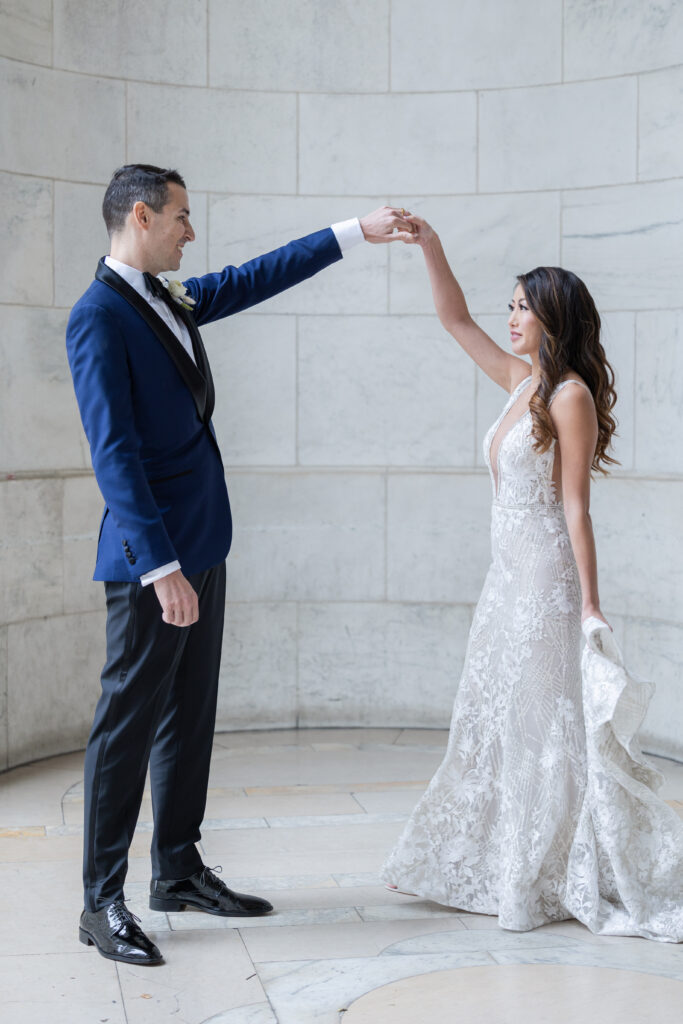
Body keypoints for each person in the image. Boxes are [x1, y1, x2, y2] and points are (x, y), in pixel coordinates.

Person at [67, 163, 415, 966]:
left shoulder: (169, 296)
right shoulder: (98, 316)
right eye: (183, 216)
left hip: (203, 541)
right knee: (125, 728)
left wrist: (354, 231)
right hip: (150, 559)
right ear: (143, 217)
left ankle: (178, 870)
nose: (193, 231)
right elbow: (113, 455)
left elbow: (255, 278)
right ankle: (98, 901)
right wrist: (160, 568)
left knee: (189, 714)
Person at [381, 214, 683, 942]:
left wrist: (589, 606)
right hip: (505, 580)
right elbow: (452, 318)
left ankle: (548, 868)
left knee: (541, 728)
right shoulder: (521, 381)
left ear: (554, 318)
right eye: (511, 305)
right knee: (490, 721)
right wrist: (429, 244)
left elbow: (576, 508)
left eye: (523, 306)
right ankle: (483, 858)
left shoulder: (567, 395)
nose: (511, 317)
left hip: (546, 583)